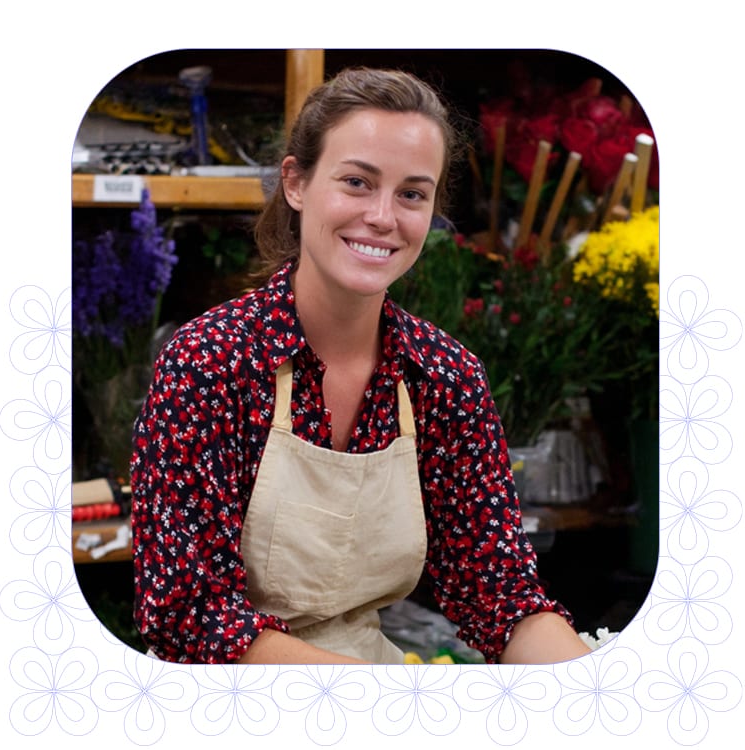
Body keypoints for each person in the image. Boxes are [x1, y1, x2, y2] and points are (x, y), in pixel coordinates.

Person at [131, 67, 592, 665]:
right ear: (296, 183)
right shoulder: (209, 364)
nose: (382, 217)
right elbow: (189, 616)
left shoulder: (445, 377)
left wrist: (592, 692)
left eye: (411, 194)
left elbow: (501, 596)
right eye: (356, 182)